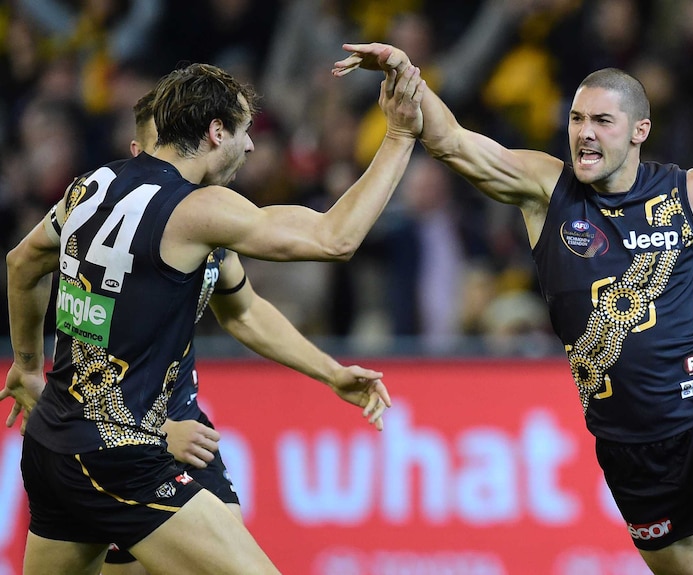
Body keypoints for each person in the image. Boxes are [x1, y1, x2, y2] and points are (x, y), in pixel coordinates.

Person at [333, 43, 693, 574]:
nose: (584, 131)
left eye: (602, 120)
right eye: (577, 118)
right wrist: (409, 77)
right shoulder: (545, 190)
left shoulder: (689, 191)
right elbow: (450, 143)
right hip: (627, 448)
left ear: (638, 131)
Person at [1, 60, 425, 574]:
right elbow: (334, 238)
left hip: (59, 445)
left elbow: (22, 263)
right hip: (122, 456)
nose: (250, 147)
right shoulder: (200, 210)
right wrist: (399, 135)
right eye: (244, 132)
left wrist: (26, 366)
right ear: (215, 131)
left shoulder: (91, 186)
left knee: (217, 513)